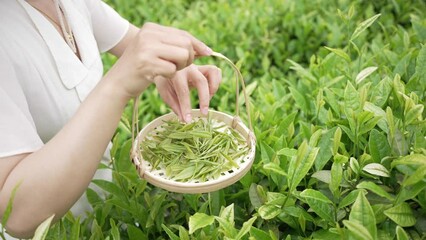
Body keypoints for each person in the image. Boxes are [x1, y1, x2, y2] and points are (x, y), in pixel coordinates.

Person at [0, 0, 222, 238]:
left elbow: (131, 43)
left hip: (106, 211)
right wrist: (116, 85)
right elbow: (16, 216)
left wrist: (166, 68)